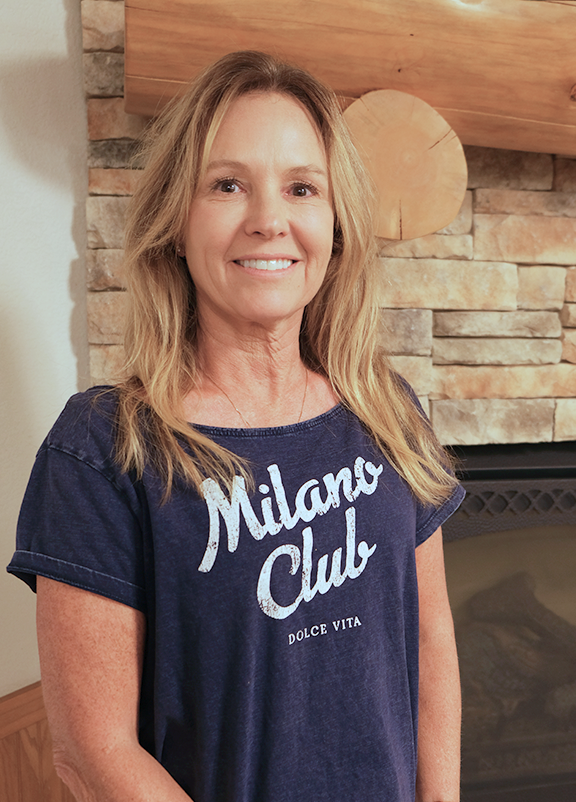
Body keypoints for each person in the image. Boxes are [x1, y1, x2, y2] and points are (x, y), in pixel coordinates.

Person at [8, 51, 465, 802]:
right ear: (175, 226)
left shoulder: (389, 412)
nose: (268, 220)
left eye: (301, 188)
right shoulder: (102, 447)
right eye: (227, 185)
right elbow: (92, 753)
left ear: (335, 224)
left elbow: (432, 647)